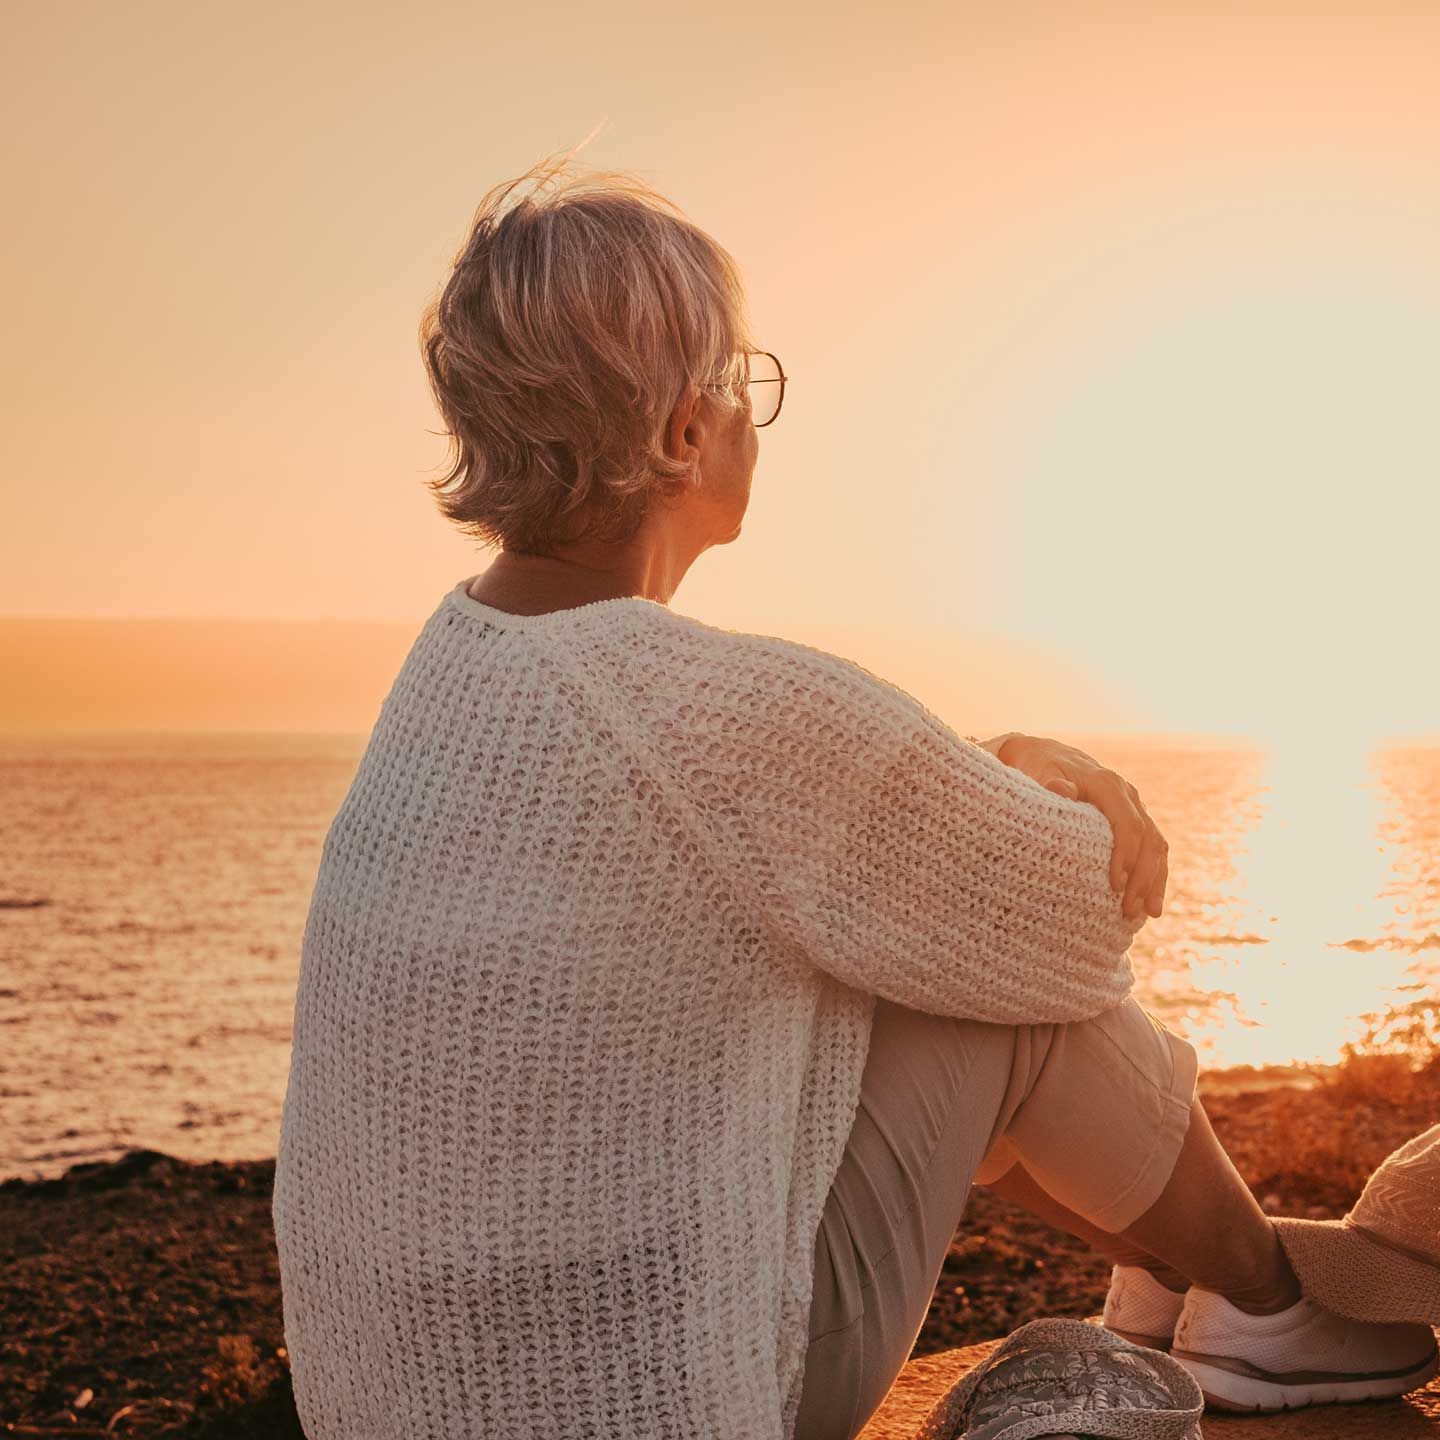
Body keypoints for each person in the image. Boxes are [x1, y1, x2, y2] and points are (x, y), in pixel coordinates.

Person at [269, 147, 1436, 1440]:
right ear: (679, 431)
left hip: (394, 1405)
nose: (754, 416)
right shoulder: (712, 713)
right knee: (1020, 1001)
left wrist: (970, 788)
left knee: (891, 952)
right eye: (742, 383)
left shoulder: (443, 682)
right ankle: (1268, 1304)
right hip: (674, 1404)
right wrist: (1051, 775)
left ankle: (1173, 1276)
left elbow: (829, 865)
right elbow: (1076, 920)